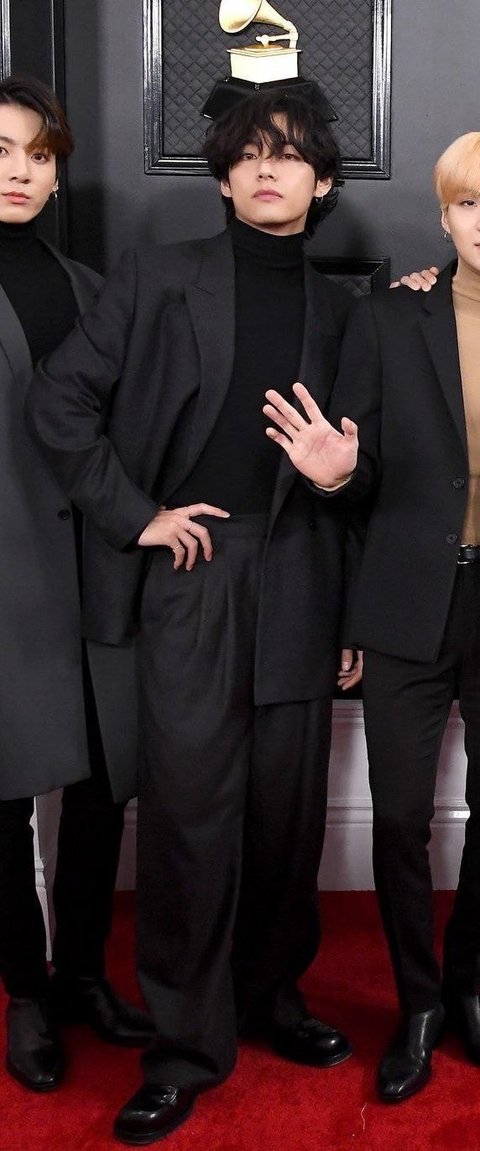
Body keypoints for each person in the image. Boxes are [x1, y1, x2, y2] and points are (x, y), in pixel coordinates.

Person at [25, 87, 363, 1143]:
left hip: (303, 573)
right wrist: (137, 515)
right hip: (192, 572)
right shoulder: (158, 277)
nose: (268, 169)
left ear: (322, 180)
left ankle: (273, 997)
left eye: (290, 155)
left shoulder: (348, 309)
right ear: (222, 176)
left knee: (287, 818)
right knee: (189, 821)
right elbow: (57, 402)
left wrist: (342, 491)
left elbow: (373, 468)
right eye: (249, 154)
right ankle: (183, 1046)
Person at [262, 130, 480, 1104]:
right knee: (399, 818)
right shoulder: (392, 316)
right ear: (445, 215)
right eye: (469, 203)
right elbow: (356, 480)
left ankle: (468, 983)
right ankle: (419, 1002)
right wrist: (334, 477)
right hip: (403, 601)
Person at [0, 75, 153, 1094]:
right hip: (6, 577)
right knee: (5, 795)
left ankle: (84, 974)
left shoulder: (95, 289)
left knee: (102, 788)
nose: (21, 171)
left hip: (99, 573)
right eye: (2, 150)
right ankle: (26, 992)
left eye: (40, 154)